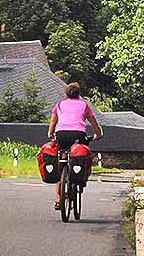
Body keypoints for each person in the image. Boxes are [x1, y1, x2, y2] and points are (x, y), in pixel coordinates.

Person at [48, 82, 103, 210]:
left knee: (60, 164)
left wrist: (51, 133)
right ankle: (78, 180)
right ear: (79, 95)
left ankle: (58, 199)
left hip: (61, 134)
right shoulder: (84, 105)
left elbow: (53, 121)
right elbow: (93, 122)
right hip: (78, 134)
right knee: (82, 154)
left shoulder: (60, 104)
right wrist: (98, 134)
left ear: (65, 94)